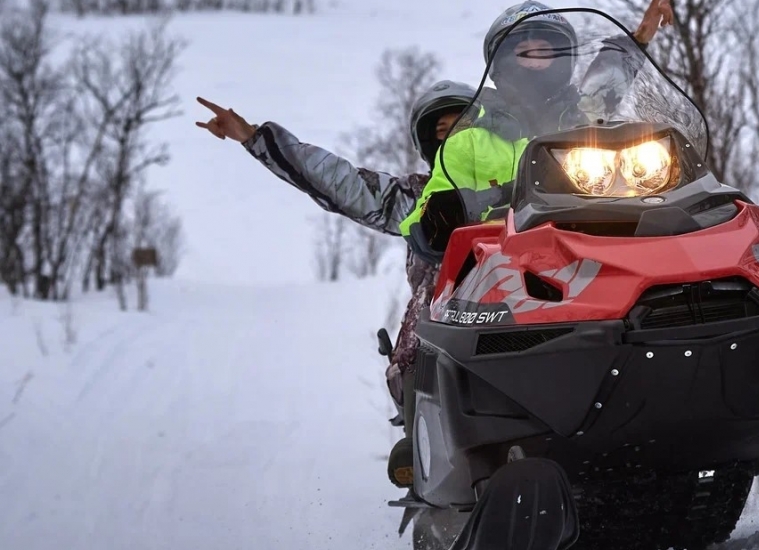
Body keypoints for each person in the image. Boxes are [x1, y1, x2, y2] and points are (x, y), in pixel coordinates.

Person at [194, 80, 477, 488]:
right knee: (419, 356)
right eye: (442, 131)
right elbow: (343, 182)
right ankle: (425, 445)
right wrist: (256, 138)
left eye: (462, 126)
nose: (454, 138)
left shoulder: (529, 184)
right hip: (442, 328)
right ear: (430, 145)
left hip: (522, 313)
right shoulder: (419, 200)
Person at [399, 0, 674, 262]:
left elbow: (606, 83)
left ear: (562, 61)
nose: (533, 62)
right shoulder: (467, 141)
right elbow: (422, 220)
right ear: (502, 62)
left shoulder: (581, 122)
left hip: (589, 254)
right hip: (499, 268)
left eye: (544, 52)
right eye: (524, 52)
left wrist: (638, 40)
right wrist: (441, 215)